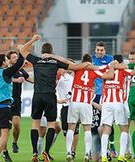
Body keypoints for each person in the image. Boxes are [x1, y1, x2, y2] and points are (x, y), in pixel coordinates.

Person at [19, 34, 89, 162]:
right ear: (51, 52)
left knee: (35, 124)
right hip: (50, 96)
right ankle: (46, 152)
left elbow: (22, 50)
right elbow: (73, 66)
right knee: (51, 124)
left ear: (42, 52)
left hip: (37, 95)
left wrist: (33, 40)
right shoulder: (56, 62)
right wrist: (87, 64)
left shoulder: (36, 60)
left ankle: (35, 153)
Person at [64, 54, 115, 161]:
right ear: (91, 62)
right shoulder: (94, 71)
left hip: (74, 102)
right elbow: (109, 75)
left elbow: (67, 64)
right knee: (87, 129)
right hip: (86, 103)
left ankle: (69, 151)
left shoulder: (77, 68)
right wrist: (112, 66)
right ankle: (87, 153)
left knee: (71, 128)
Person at [0, 50, 25, 162]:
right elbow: (19, 63)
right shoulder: (5, 72)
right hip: (4, 106)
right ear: (3, 62)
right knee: (5, 133)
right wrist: (22, 51)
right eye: (7, 59)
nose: (8, 61)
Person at [100, 55, 133, 162]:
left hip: (106, 103)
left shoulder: (106, 68)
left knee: (106, 129)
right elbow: (134, 72)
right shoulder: (123, 70)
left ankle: (104, 156)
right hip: (118, 102)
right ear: (121, 61)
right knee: (124, 128)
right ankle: (121, 156)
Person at [91, 41, 117, 158]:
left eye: (101, 50)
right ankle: (97, 150)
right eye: (97, 50)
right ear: (95, 50)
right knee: (96, 125)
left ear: (105, 51)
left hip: (109, 95)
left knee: (108, 123)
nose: (99, 52)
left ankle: (111, 146)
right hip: (97, 96)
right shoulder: (91, 60)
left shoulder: (111, 60)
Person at [57, 68, 80, 160]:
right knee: (66, 131)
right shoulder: (58, 79)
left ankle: (73, 151)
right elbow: (51, 90)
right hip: (65, 107)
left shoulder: (72, 78)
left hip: (74, 106)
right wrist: (58, 101)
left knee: (76, 130)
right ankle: (69, 150)